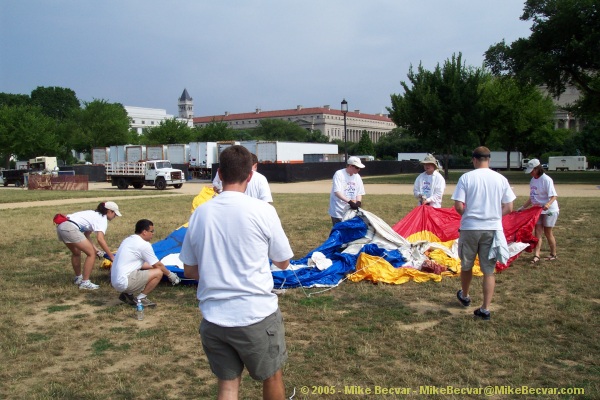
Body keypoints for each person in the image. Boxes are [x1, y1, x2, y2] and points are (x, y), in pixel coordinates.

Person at [180, 145, 293, 400]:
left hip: (214, 318)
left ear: (219, 173)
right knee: (272, 376)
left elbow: (189, 269)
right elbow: (283, 261)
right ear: (250, 175)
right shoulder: (263, 210)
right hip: (256, 315)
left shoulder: (200, 213)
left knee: (228, 385)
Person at [451, 146, 516, 321]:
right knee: (488, 270)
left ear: (474, 159)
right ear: (489, 159)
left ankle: (464, 295)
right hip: (492, 229)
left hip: (470, 228)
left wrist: (469, 216)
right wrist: (493, 215)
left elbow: (458, 206)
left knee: (467, 265)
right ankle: (485, 308)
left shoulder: (466, 178)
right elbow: (509, 207)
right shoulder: (501, 179)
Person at [111, 219, 181, 307]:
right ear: (144, 232)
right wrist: (170, 275)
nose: (153, 233)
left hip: (115, 280)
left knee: (153, 270)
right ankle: (141, 298)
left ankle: (127, 295)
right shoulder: (143, 245)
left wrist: (158, 268)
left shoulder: (128, 240)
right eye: (151, 231)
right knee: (158, 273)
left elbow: (141, 264)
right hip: (124, 282)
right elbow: (158, 265)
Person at [56, 201, 121, 290]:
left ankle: (78, 278)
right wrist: (111, 256)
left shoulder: (94, 214)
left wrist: (97, 250)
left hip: (61, 227)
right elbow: (100, 239)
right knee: (91, 254)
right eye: (115, 214)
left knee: (76, 252)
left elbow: (87, 235)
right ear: (109, 211)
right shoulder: (102, 218)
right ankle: (85, 283)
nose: (115, 216)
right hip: (70, 228)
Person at [518, 159, 559, 263]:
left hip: (550, 210)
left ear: (537, 169)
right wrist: (523, 207)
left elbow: (554, 196)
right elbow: (532, 198)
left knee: (548, 232)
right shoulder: (533, 180)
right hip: (537, 210)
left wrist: (548, 204)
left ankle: (553, 254)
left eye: (532, 171)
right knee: (538, 232)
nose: (531, 173)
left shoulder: (546, 179)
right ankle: (536, 255)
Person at [328, 156, 366, 226]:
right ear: (350, 166)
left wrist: (358, 202)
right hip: (338, 210)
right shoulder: (339, 174)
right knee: (340, 231)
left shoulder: (357, 176)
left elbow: (359, 192)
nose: (359, 170)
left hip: (351, 210)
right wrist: (350, 202)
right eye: (357, 167)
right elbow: (337, 192)